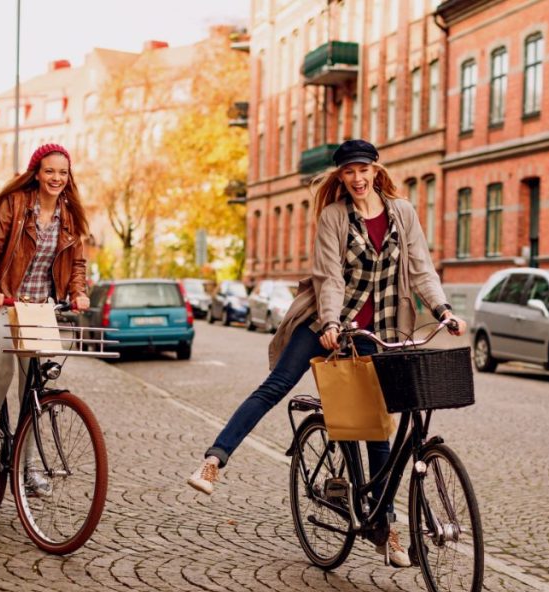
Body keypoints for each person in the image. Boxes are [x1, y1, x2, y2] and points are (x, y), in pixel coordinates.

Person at [188, 139, 466, 567]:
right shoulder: (334, 217)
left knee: (378, 423)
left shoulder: (402, 212)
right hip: (326, 323)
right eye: (348, 172)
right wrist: (334, 323)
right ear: (341, 177)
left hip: (383, 329)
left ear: (376, 170)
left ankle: (384, 526)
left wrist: (443, 310)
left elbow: (420, 268)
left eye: (363, 170)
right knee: (276, 385)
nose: (357, 179)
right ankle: (214, 459)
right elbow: (329, 278)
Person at [0, 143, 91, 495]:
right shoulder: (15, 205)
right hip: (0, 303)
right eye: (50, 171)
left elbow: (78, 264)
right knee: (5, 368)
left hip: (38, 310)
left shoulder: (69, 216)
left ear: (68, 177)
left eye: (62, 172)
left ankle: (27, 471)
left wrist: (78, 292)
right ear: (37, 173)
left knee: (32, 391)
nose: (56, 178)